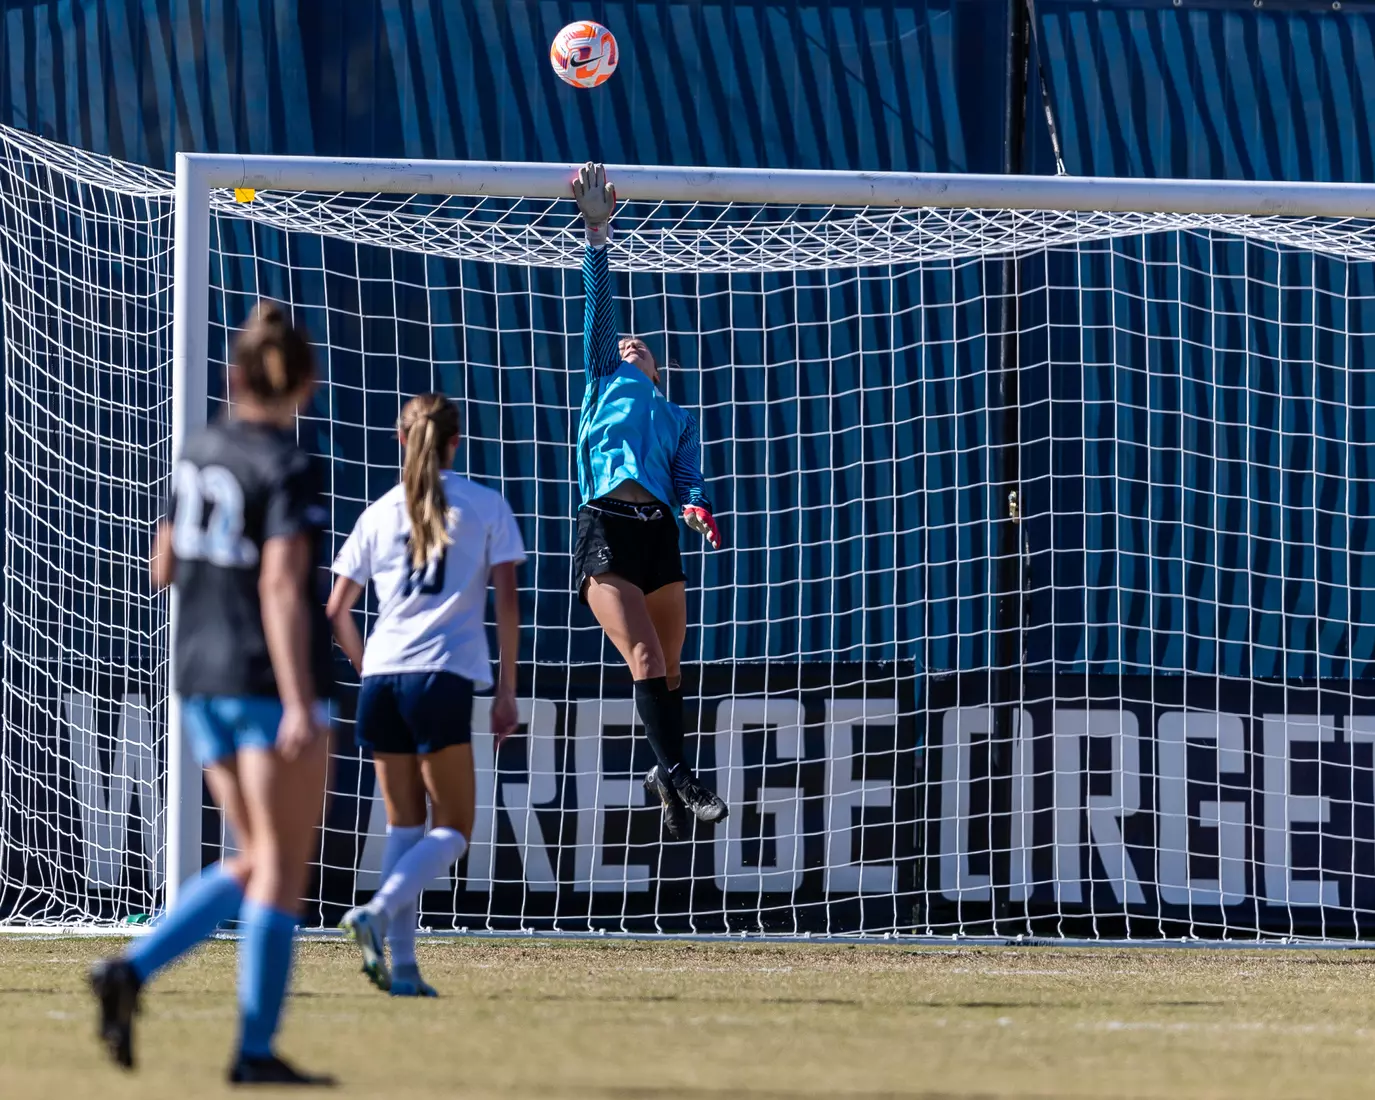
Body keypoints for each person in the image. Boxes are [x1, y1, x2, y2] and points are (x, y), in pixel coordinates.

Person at [89, 303, 335, 1085]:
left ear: (233, 375)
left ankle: (132, 970)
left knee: (256, 857)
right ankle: (251, 1051)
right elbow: (282, 585)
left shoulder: (199, 449)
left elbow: (162, 565)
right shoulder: (289, 465)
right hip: (263, 680)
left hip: (196, 676)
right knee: (281, 867)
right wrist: (299, 698)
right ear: (306, 382)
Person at [328, 393, 523, 996]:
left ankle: (405, 970)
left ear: (401, 440)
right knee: (456, 827)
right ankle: (378, 912)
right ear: (455, 443)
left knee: (404, 827)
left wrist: (367, 671)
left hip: (383, 679)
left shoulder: (378, 512)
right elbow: (508, 604)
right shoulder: (484, 504)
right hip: (440, 677)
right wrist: (506, 690)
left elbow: (336, 610)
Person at [570, 162, 728, 838]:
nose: (632, 342)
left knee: (670, 670)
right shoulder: (604, 377)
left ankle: (664, 771)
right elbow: (599, 311)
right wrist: (597, 233)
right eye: (625, 342)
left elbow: (688, 478)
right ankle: (682, 773)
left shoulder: (673, 414)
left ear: (658, 368)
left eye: (644, 345)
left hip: (657, 529)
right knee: (644, 659)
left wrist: (696, 508)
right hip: (607, 523)